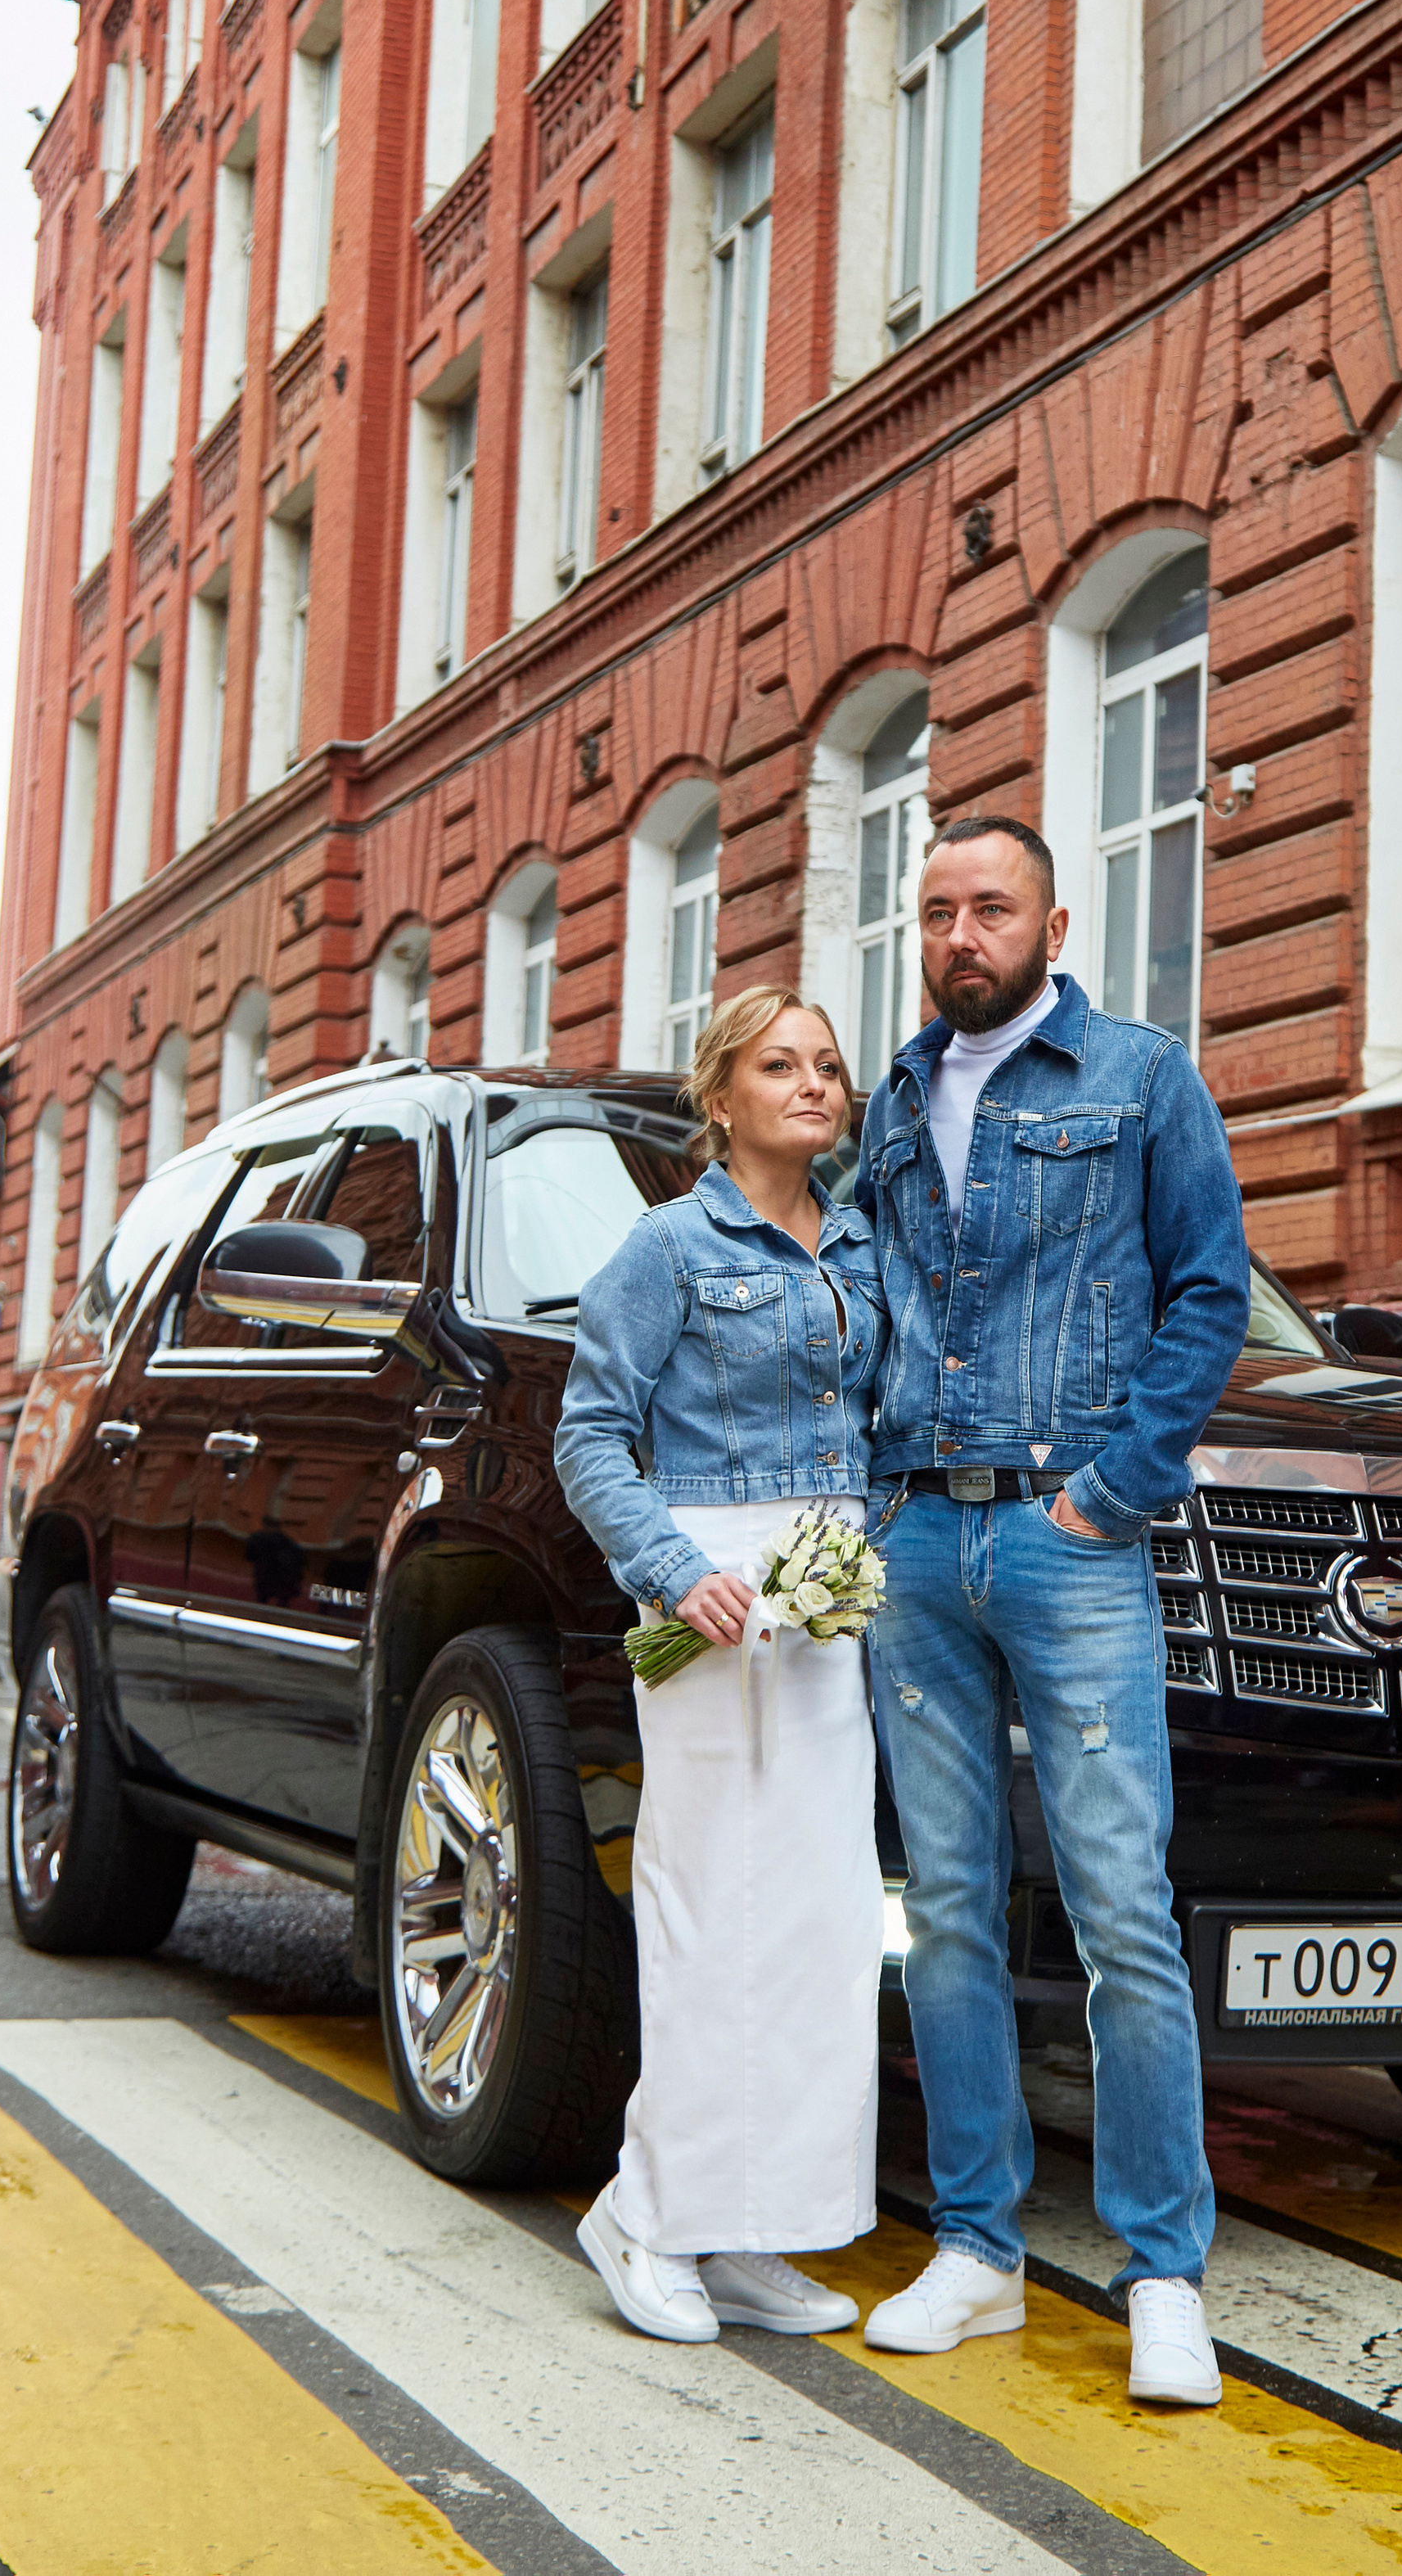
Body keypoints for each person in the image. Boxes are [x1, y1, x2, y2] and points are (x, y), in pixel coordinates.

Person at [855, 818, 1249, 2407]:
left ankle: (1161, 2273)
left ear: (1050, 922)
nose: (962, 933)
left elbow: (1207, 1288)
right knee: (945, 1907)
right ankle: (978, 2252)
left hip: (1066, 1543)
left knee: (1116, 1914)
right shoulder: (890, 1096)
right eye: (938, 910)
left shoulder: (1138, 1076)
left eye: (990, 908)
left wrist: (1113, 1489)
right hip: (913, 1546)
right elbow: (864, 1298)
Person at [554, 986, 885, 2346]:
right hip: (711, 1597)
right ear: (721, 1096)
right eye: (779, 1064)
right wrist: (671, 1567)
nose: (813, 1083)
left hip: (830, 1596)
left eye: (828, 1064)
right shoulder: (668, 1249)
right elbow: (588, 1437)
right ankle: (646, 2214)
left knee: (817, 1927)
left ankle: (755, 2231)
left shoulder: (861, 1243)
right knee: (704, 1911)